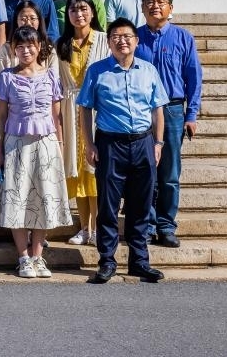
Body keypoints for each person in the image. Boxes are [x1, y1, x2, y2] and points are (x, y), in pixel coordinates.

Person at [78, 18, 169, 284]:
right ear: (109, 42)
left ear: (136, 41)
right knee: (107, 206)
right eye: (116, 36)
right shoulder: (97, 71)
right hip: (110, 144)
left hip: (143, 143)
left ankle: (139, 261)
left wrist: (158, 143)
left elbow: (158, 109)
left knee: (141, 205)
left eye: (127, 36)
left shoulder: (149, 70)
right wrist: (89, 144)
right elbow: (85, 108)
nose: (122, 41)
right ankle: (107, 261)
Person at [0, 26, 73, 279]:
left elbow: (57, 117)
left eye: (30, 45)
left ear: (39, 47)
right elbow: (1, 117)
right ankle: (23, 257)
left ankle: (38, 256)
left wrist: (60, 146)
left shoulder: (51, 76)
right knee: (17, 198)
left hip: (46, 143)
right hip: (16, 143)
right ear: (14, 50)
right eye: (20, 46)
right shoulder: (6, 77)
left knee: (43, 198)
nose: (26, 50)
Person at [135, 0, 202, 248]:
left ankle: (165, 225)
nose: (155, 6)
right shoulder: (134, 38)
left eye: (161, 2)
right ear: (142, 8)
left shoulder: (183, 38)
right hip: (140, 111)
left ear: (170, 8)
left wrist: (191, 114)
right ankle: (146, 225)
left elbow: (193, 78)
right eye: (150, 2)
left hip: (173, 109)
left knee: (169, 172)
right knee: (144, 171)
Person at [55, 0, 110, 246]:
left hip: (97, 109)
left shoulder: (103, 40)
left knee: (94, 170)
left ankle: (98, 228)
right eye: (74, 10)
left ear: (92, 12)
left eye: (84, 9)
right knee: (76, 171)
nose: (79, 14)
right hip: (69, 108)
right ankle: (84, 228)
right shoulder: (61, 44)